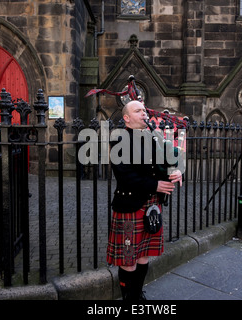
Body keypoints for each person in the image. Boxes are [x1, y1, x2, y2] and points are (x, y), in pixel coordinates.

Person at [106, 100, 183, 300]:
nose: (144, 113)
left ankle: (138, 295)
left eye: (144, 110)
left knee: (143, 255)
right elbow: (124, 175)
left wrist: (176, 172)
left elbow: (165, 162)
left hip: (151, 206)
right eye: (138, 110)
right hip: (130, 206)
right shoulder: (118, 139)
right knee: (128, 259)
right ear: (126, 118)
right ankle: (129, 299)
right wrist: (155, 185)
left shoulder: (152, 137)